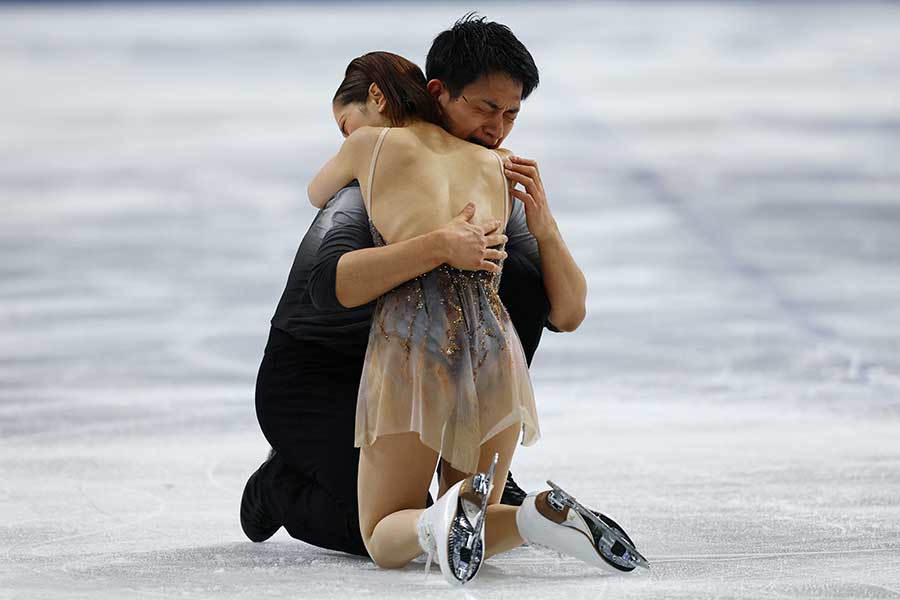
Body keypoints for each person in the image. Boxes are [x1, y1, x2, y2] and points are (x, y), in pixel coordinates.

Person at [241, 14, 585, 559]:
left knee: (396, 533)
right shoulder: (381, 189)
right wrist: (440, 244)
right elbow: (330, 289)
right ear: (436, 94)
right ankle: (278, 484)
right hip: (319, 371)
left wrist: (544, 225)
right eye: (484, 109)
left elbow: (567, 312)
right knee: (386, 521)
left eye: (512, 114)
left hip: (417, 350)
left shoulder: (455, 163)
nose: (498, 128)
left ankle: (472, 505)